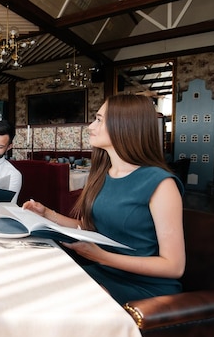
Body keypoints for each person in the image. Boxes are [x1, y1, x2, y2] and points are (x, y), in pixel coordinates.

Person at [23, 94, 185, 305]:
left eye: (99, 119)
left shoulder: (161, 184)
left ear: (124, 125)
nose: (90, 126)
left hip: (144, 286)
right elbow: (93, 229)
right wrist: (47, 214)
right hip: (103, 272)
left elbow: (174, 266)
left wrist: (100, 257)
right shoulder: (103, 174)